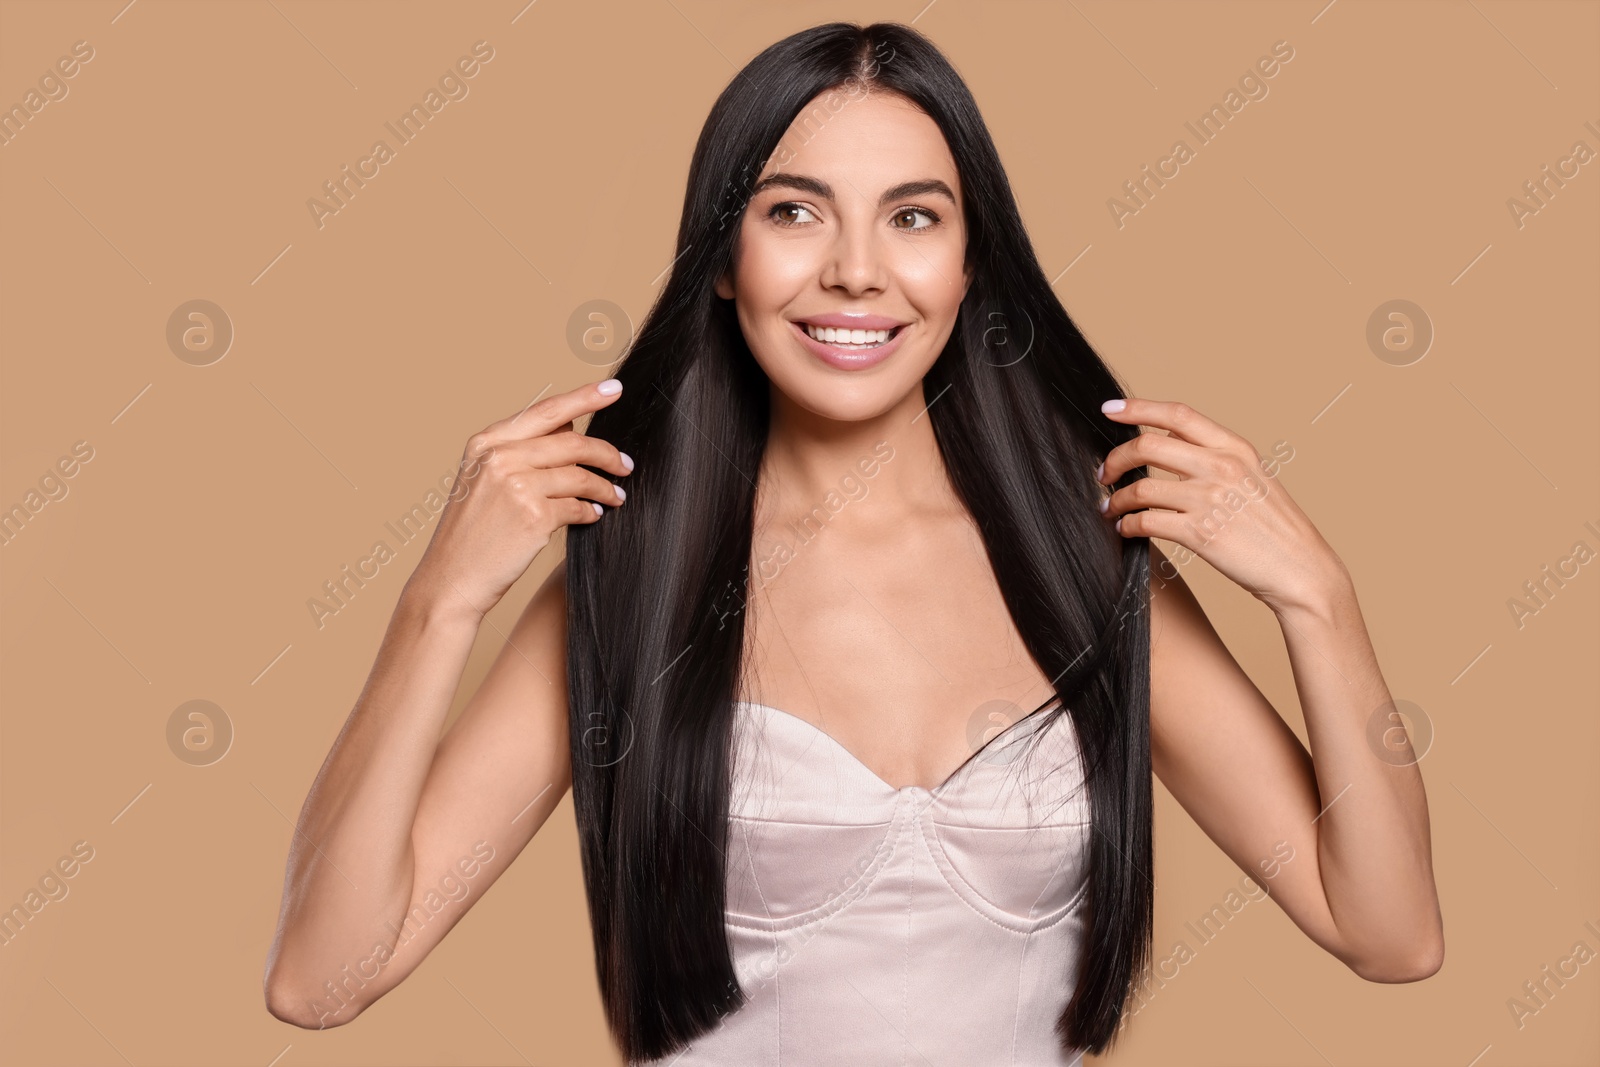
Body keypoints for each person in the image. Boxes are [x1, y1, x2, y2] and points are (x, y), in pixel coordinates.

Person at [263, 20, 1444, 1065]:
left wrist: (1319, 600)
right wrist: (436, 607)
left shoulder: (1084, 568)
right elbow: (321, 981)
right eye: (792, 211)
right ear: (723, 258)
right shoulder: (635, 571)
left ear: (970, 261)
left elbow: (1390, 935)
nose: (856, 272)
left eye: (914, 217)